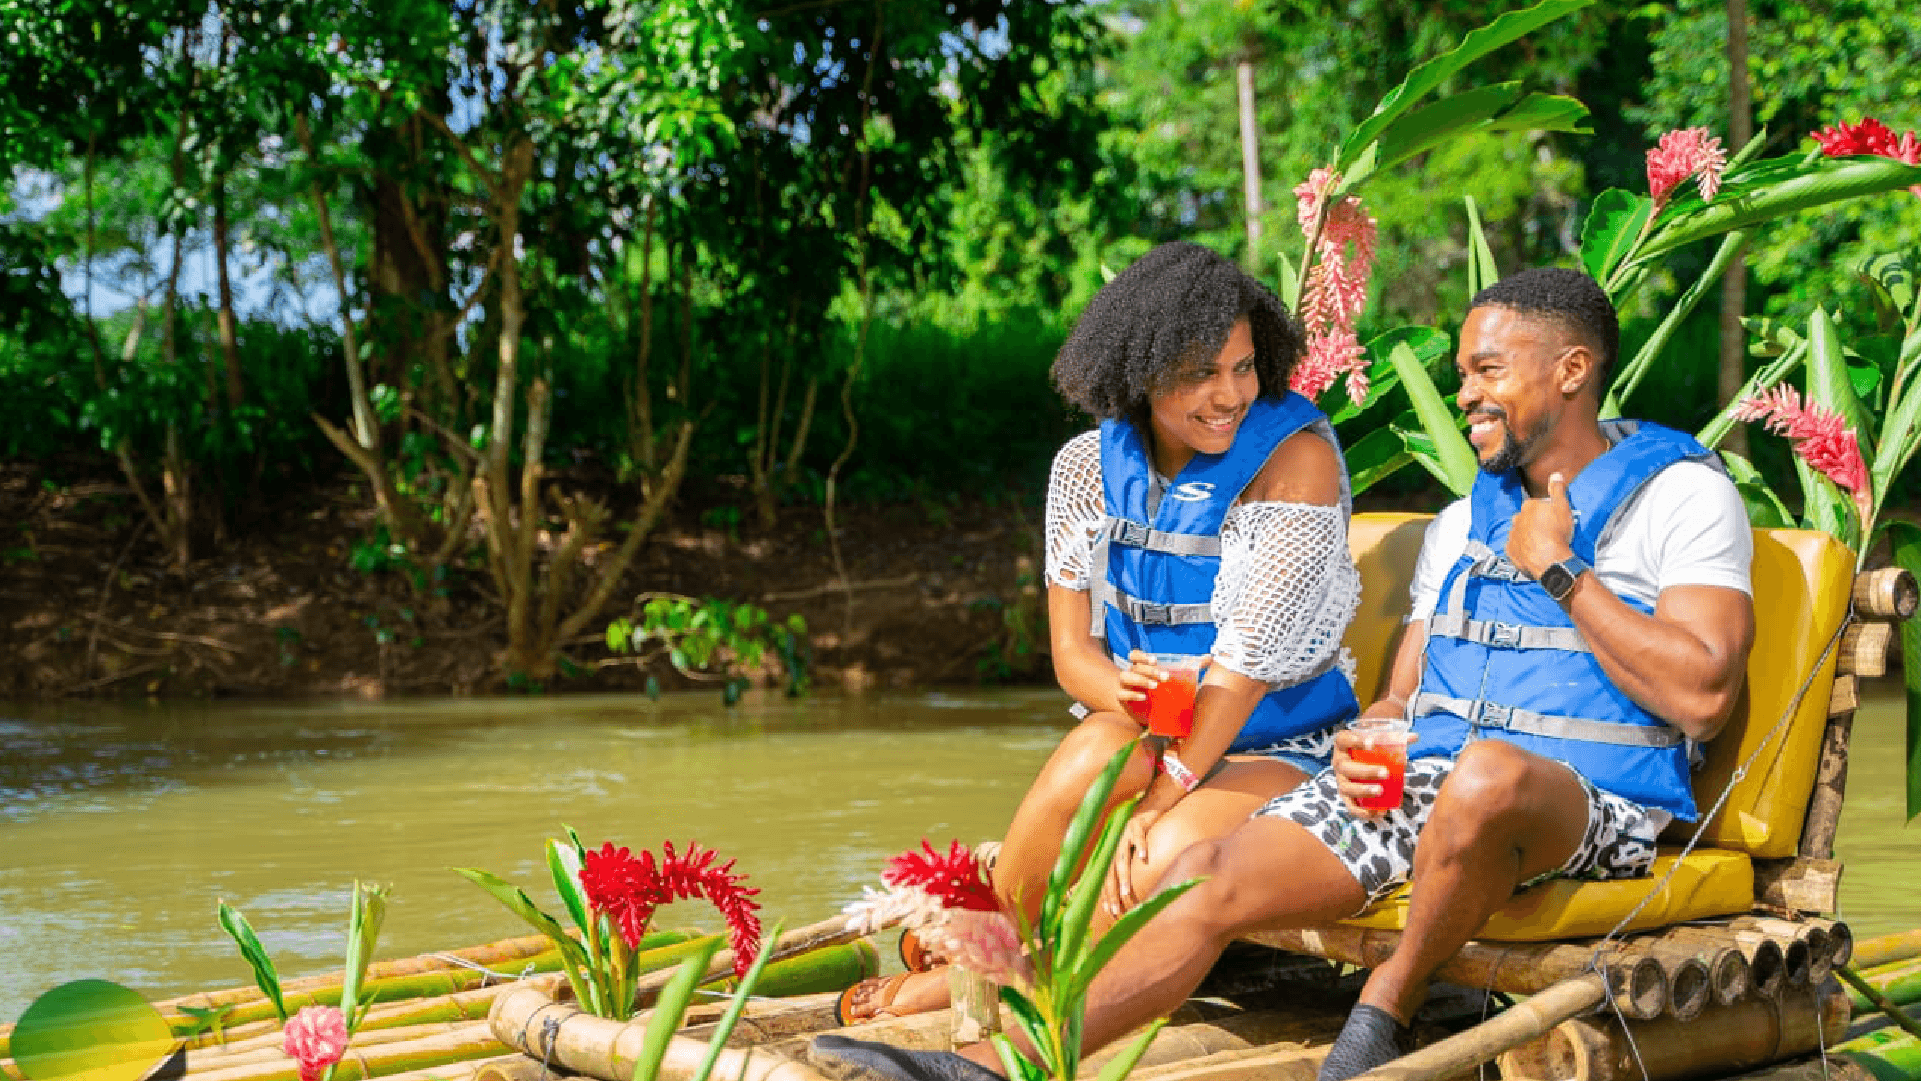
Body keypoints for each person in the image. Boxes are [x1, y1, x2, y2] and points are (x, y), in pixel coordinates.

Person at [814, 266, 1756, 1081]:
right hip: (1433, 781)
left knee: (1488, 774)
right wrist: (1369, 736)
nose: (1462, 392)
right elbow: (1403, 693)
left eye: (1484, 371)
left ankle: (1381, 1009)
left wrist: (1561, 570)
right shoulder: (1467, 517)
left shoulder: (1682, 495)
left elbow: (1703, 696)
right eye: (1461, 371)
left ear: (1571, 370)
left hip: (1592, 798)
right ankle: (994, 1063)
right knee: (1199, 873)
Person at [837, 240, 1364, 1022]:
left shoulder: (1295, 462)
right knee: (1092, 748)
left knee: (1146, 862)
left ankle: (960, 978)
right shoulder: (1086, 466)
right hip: (1158, 731)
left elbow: (1245, 666)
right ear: (1139, 368)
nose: (1230, 396)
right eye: (1200, 373)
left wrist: (1164, 793)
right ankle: (990, 943)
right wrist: (1126, 691)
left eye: (1244, 367)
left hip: (1279, 746)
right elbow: (1071, 654)